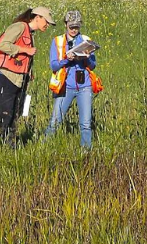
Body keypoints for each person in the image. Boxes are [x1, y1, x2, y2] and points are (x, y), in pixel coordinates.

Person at [0, 7, 56, 147]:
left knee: (15, 114)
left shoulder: (30, 34)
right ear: (37, 17)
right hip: (6, 76)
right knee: (3, 114)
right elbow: (3, 45)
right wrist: (25, 50)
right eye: (46, 21)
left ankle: (10, 146)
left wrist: (29, 72)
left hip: (20, 79)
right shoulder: (19, 27)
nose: (47, 25)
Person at [44, 10, 101, 149]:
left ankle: (86, 151)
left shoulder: (86, 40)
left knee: (86, 123)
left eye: (77, 27)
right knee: (55, 121)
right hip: (65, 86)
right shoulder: (57, 41)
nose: (74, 30)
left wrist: (87, 59)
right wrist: (66, 59)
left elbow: (93, 66)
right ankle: (43, 148)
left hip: (84, 86)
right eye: (71, 27)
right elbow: (53, 65)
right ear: (65, 25)